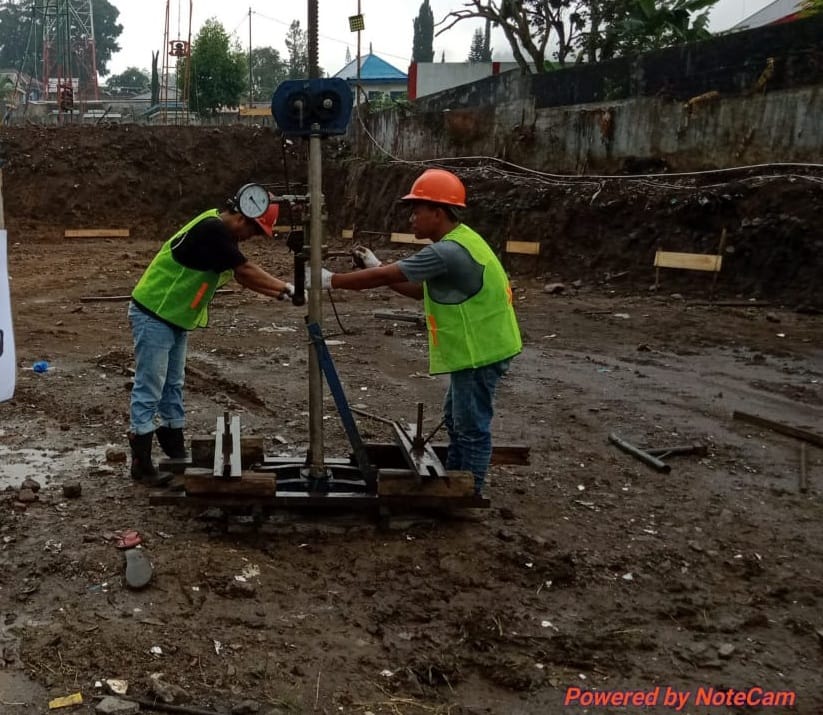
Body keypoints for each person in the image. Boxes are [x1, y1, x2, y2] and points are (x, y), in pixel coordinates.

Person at [310, 168, 522, 495]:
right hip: (481, 349)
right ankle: (458, 482)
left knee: (471, 428)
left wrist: (330, 281)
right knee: (457, 420)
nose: (412, 218)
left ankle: (469, 493)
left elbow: (387, 278)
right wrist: (374, 265)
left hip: (480, 352)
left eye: (417, 211)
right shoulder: (462, 240)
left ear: (438, 213)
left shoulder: (446, 251)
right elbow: (416, 289)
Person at [128, 189, 294, 485]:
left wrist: (280, 294)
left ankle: (175, 455)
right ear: (242, 216)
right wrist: (287, 288)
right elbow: (244, 269)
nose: (249, 238)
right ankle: (141, 464)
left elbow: (242, 275)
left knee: (173, 385)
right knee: (150, 386)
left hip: (174, 317)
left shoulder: (220, 232)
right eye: (252, 231)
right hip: (154, 312)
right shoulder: (212, 229)